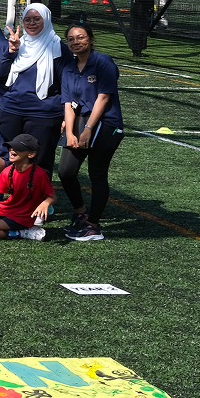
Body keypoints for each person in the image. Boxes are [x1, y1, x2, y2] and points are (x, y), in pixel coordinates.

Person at [59, 23, 124, 242]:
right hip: (80, 119)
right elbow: (68, 103)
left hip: (106, 124)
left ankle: (93, 226)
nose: (75, 42)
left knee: (97, 173)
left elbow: (103, 98)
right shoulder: (68, 67)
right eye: (71, 39)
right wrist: (69, 132)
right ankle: (80, 212)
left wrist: (87, 130)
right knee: (66, 171)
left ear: (91, 39)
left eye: (80, 37)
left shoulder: (103, 62)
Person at [0, 2, 71, 174]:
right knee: (7, 157)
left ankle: (41, 199)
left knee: (40, 161)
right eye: (27, 20)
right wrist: (11, 51)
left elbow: (67, 84)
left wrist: (66, 116)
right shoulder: (17, 44)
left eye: (37, 19)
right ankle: (11, 196)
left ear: (46, 19)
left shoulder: (58, 48)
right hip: (11, 111)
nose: (31, 23)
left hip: (43, 115)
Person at [0, 133, 54, 242]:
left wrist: (46, 203)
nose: (12, 150)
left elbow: (52, 196)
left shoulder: (39, 174)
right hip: (5, 209)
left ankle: (22, 232)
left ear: (31, 154)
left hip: (22, 215)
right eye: (11, 147)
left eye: (18, 148)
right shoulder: (7, 171)